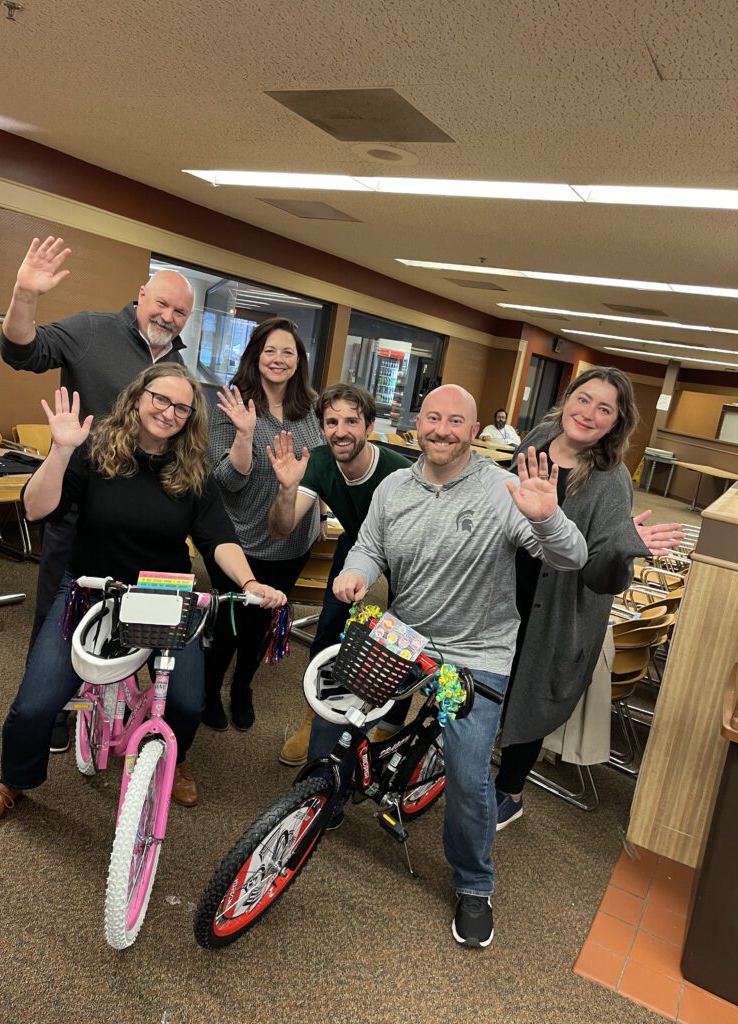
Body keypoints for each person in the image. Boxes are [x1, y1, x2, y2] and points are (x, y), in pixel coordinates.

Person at [0, 364, 285, 838]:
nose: (169, 412)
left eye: (181, 406)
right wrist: (60, 452)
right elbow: (36, 509)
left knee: (187, 702)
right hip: (92, 589)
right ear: (138, 396)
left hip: (166, 594)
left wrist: (249, 580)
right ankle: (12, 782)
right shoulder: (94, 449)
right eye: (161, 399)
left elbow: (218, 538)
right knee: (35, 705)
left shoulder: (194, 470)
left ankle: (171, 759)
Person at [333, 384, 588, 949]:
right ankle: (332, 788)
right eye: (432, 418)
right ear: (416, 423)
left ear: (476, 431)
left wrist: (547, 519)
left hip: (474, 655)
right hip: (407, 637)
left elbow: (572, 557)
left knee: (470, 777)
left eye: (456, 421)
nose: (442, 429)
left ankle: (475, 884)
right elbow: (368, 546)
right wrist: (355, 570)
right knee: (344, 705)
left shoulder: (504, 490)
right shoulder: (394, 486)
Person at [0, 236, 195, 753]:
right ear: (140, 295)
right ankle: (52, 720)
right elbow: (21, 349)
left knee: (134, 627)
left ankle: (127, 719)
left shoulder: (178, 370)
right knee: (56, 622)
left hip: (134, 521)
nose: (169, 315)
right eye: (162, 303)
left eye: (180, 311)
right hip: (75, 508)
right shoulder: (90, 331)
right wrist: (24, 293)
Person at [494, 367, 682, 829]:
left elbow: (603, 578)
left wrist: (622, 545)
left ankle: (509, 792)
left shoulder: (610, 479)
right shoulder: (538, 436)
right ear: (567, 399)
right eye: (584, 399)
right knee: (490, 678)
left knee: (531, 691)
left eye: (605, 409)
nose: (589, 413)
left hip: (558, 608)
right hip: (506, 587)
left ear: (616, 422)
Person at [266, 382, 412, 765]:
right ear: (322, 427)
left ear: (369, 426)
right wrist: (286, 488)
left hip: (405, 553)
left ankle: (392, 724)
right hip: (356, 540)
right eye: (332, 421)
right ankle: (317, 716)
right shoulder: (315, 461)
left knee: (402, 637)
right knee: (330, 628)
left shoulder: (400, 471)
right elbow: (282, 527)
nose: (341, 430)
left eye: (351, 420)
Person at [204, 317, 324, 732]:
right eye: (270, 350)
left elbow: (321, 467)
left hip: (292, 540)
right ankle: (209, 688)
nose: (278, 359)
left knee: (263, 623)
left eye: (288, 352)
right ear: (255, 354)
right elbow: (227, 480)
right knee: (229, 624)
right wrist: (244, 434)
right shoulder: (232, 404)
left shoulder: (311, 409)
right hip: (238, 540)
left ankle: (242, 687)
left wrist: (320, 512)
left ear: (299, 360)